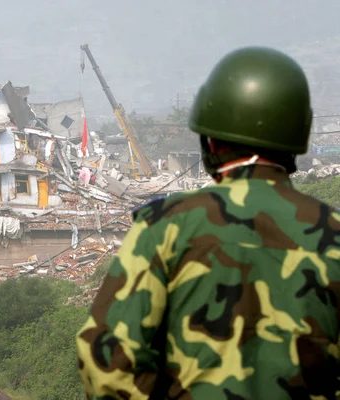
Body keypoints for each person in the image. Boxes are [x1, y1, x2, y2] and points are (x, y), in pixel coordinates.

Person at [76, 46, 340, 399]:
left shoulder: (165, 227)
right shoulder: (333, 234)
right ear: (297, 139)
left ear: (210, 140)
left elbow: (105, 364)